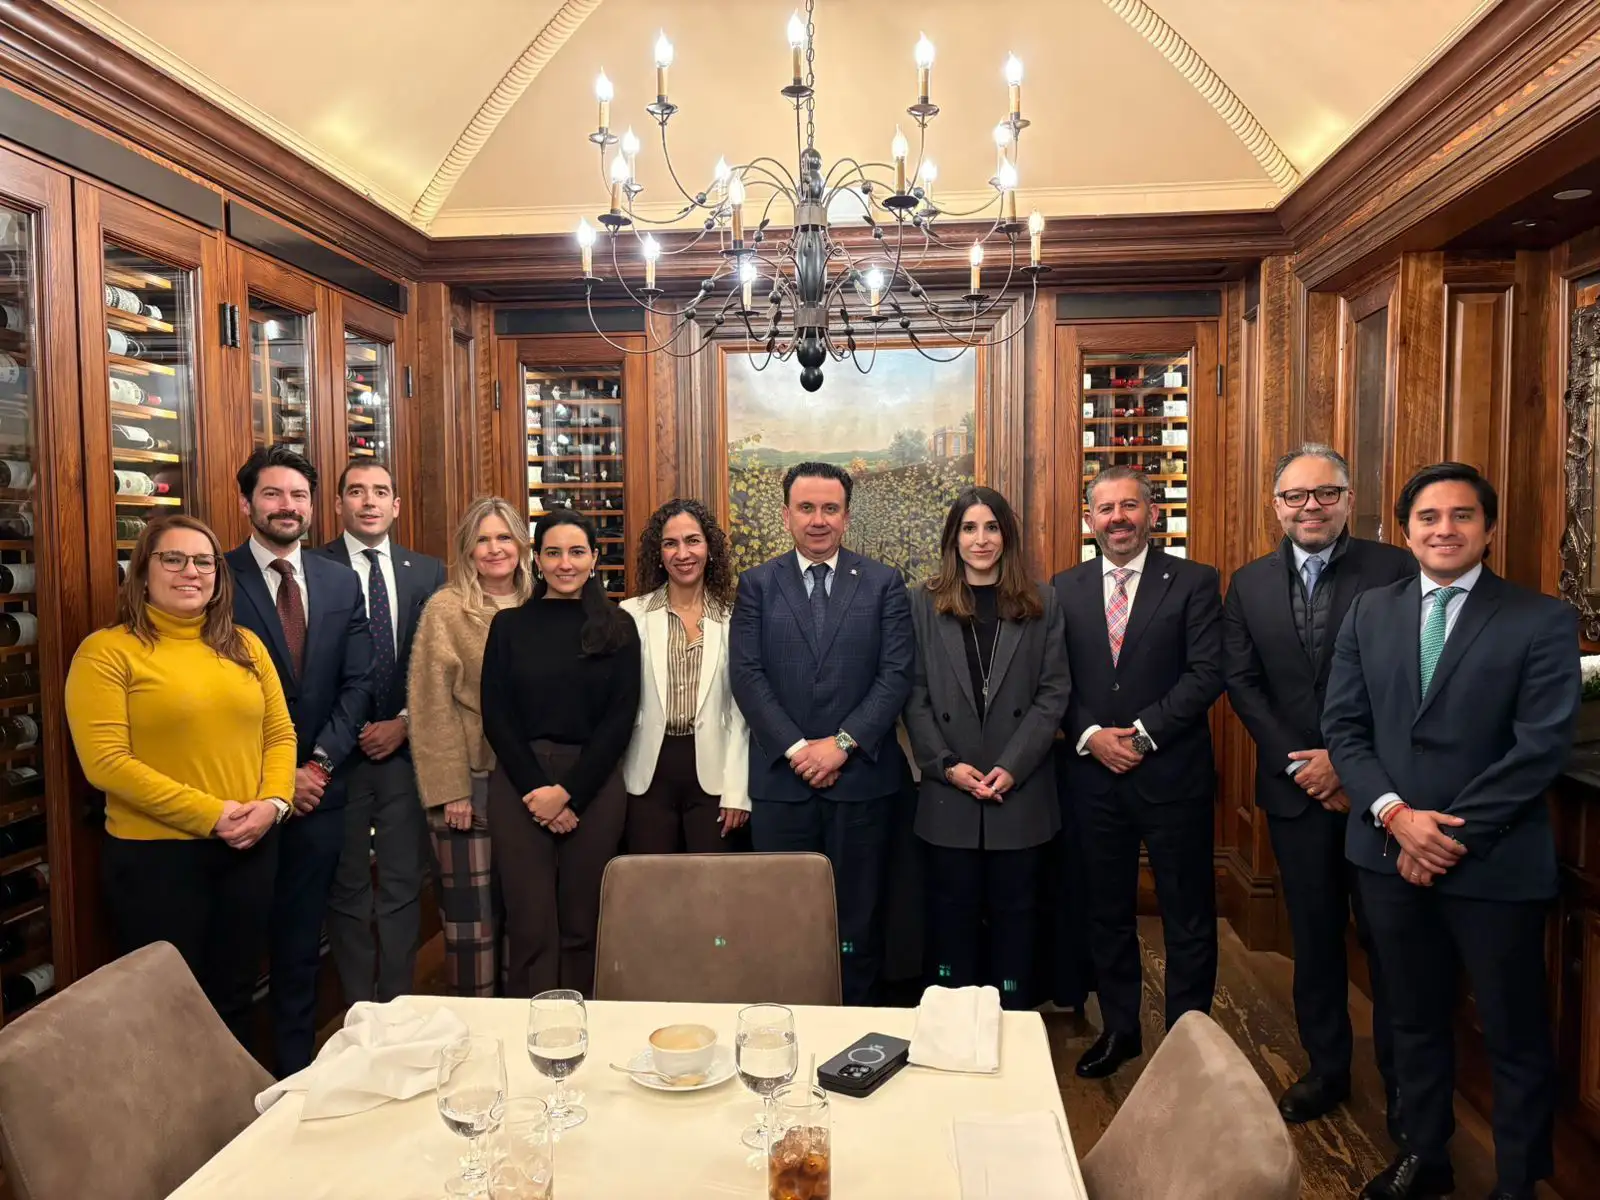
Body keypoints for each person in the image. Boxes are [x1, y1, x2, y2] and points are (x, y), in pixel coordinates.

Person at [1324, 463, 1579, 1200]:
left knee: (1512, 1029)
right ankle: (1423, 1155)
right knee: (1410, 1017)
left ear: (1488, 529)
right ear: (1406, 532)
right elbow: (1345, 727)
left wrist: (1445, 838)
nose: (1444, 529)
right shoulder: (1370, 612)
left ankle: (1518, 1180)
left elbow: (1539, 747)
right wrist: (1397, 817)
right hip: (1387, 854)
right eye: (1428, 517)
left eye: (1462, 516)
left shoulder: (1540, 619)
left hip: (1494, 866)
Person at [1223, 444, 1415, 1134]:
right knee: (1314, 936)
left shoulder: (1396, 570)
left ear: (1348, 500)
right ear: (1275, 505)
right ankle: (1327, 1070)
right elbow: (1243, 683)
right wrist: (1304, 766)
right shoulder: (1248, 584)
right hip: (1295, 793)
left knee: (1391, 945)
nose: (1311, 507)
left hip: (1381, 796)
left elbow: (1410, 679)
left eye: (1325, 493)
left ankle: (1406, 1088)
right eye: (1295, 496)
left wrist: (1347, 765)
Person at [65, 515, 294, 1048]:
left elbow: (280, 734)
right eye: (173, 559)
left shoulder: (245, 646)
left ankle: (236, 1104)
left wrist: (274, 803)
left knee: (235, 998)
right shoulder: (106, 652)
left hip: (249, 847)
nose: (191, 572)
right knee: (165, 1012)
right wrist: (212, 815)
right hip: (158, 861)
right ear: (143, 572)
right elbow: (106, 763)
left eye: (204, 561)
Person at [1052, 465, 1223, 1079]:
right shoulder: (1063, 588)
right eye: (1106, 508)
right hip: (1093, 777)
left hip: (1173, 775)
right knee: (1106, 910)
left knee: (1187, 913)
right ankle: (1120, 1029)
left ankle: (1187, 1044)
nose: (1118, 518)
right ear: (1089, 519)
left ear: (1152, 513)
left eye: (1130, 506)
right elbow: (1053, 680)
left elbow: (1207, 672)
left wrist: (1144, 734)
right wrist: (1092, 736)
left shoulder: (1195, 581)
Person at [729, 461, 914, 1005]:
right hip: (782, 786)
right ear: (786, 515)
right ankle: (789, 1025)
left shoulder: (883, 584)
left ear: (847, 517)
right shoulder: (757, 585)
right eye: (806, 508)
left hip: (861, 783)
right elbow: (747, 676)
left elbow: (896, 675)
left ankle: (856, 1028)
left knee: (859, 920)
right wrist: (797, 750)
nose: (818, 520)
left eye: (830, 509)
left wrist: (841, 746)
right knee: (783, 918)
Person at [226, 446, 374, 1075]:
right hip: (242, 800)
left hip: (319, 796)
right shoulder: (218, 578)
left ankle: (294, 1078)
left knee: (300, 950)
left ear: (313, 507)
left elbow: (358, 684)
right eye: (272, 494)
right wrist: (277, 778)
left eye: (298, 496)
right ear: (247, 503)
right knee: (233, 957)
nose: (286, 506)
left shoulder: (339, 580)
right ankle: (231, 1092)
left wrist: (316, 767)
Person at [902, 487, 1070, 1009]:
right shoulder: (922, 602)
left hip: (1018, 793)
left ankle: (1014, 1022)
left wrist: (1012, 767)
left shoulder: (1043, 601)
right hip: (949, 793)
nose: (981, 540)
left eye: (992, 527)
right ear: (953, 538)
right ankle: (952, 1029)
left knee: (1017, 921)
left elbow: (1053, 693)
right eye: (970, 528)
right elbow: (914, 696)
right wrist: (946, 765)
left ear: (1007, 536)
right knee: (950, 922)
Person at [481, 507, 640, 997]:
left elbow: (620, 720)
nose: (564, 563)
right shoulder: (509, 626)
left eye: (576, 552)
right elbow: (496, 715)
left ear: (594, 559)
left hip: (594, 783)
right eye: (553, 553)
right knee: (529, 924)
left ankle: (581, 1026)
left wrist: (569, 794)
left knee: (582, 924)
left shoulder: (618, 626)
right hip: (520, 781)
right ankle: (530, 1030)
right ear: (537, 560)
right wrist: (539, 791)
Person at [318, 460, 446, 1006]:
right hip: (335, 760)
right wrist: (339, 738)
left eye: (380, 492)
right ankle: (356, 1012)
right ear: (339, 504)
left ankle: (397, 1006)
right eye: (356, 491)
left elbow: (436, 665)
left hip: (403, 756)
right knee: (346, 891)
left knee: (400, 886)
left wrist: (406, 724)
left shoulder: (428, 572)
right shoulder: (312, 567)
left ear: (396, 506)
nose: (368, 501)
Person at [409, 497, 532, 997]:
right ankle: (477, 1027)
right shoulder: (447, 609)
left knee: (525, 916)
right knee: (472, 925)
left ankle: (522, 1026)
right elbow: (430, 704)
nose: (494, 549)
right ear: (466, 550)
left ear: (522, 545)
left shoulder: (544, 601)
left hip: (529, 782)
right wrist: (450, 790)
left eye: (504, 537)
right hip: (470, 784)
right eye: (483, 540)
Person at [620, 499, 750, 852]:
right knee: (652, 881)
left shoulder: (734, 619)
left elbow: (742, 713)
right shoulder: (630, 616)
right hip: (647, 775)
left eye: (693, 541)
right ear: (658, 554)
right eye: (670, 543)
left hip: (716, 776)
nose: (683, 553)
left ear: (709, 548)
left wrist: (737, 791)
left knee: (713, 881)